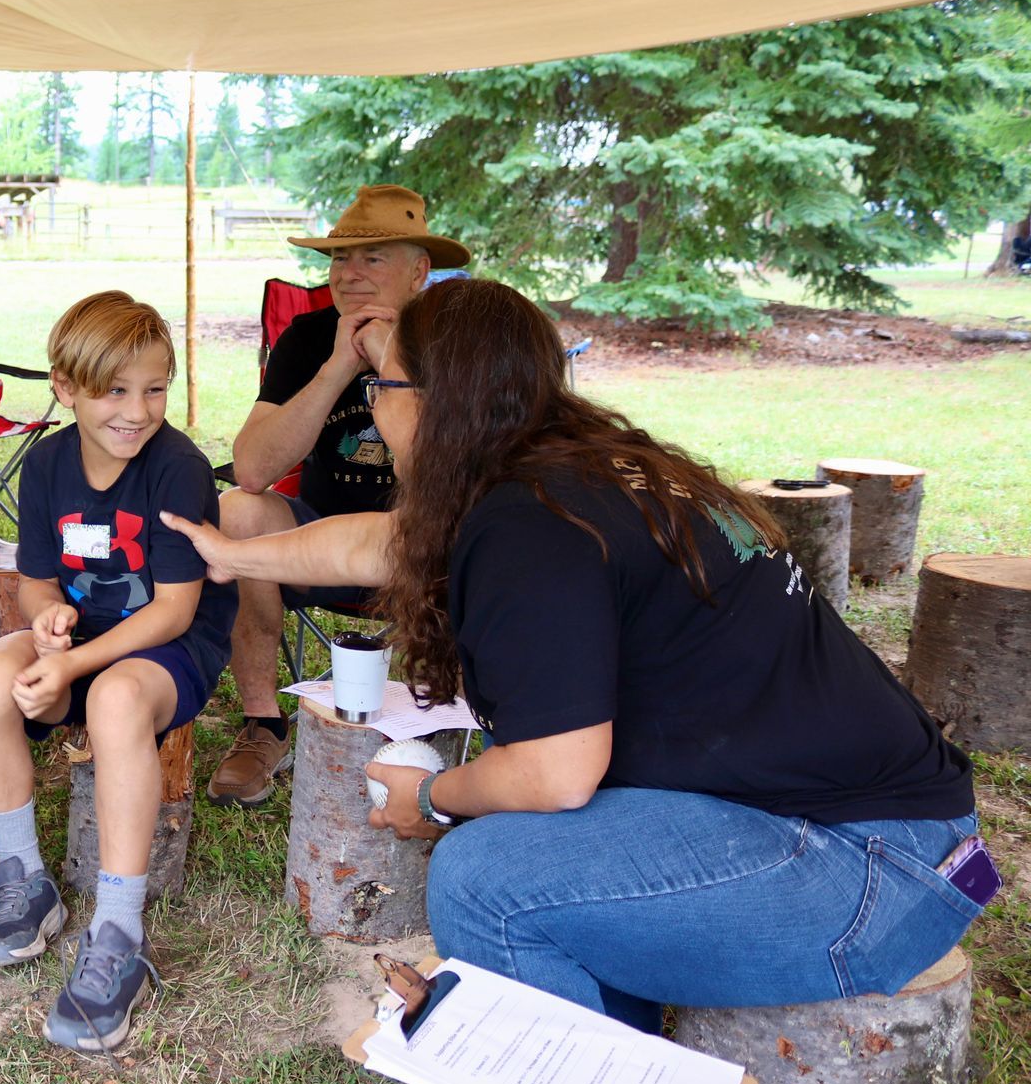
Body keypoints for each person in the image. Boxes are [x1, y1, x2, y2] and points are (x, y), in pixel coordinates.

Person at [164, 278, 979, 1031]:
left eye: (383, 387)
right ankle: (614, 1046)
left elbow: (557, 775)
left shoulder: (530, 527)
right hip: (860, 831)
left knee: (484, 876)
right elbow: (376, 546)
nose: (376, 408)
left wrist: (436, 797)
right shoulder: (565, 475)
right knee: (527, 857)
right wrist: (236, 558)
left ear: (437, 403)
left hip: (867, 872)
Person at [0, 291, 236, 1054]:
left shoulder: (177, 468)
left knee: (113, 700)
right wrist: (47, 620)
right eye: (115, 390)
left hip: (168, 649)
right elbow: (38, 583)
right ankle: (23, 877)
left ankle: (118, 931)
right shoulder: (46, 463)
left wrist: (72, 662)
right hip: (83, 637)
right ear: (66, 388)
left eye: (154, 388)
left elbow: (176, 610)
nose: (137, 410)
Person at [205, 184, 470, 808]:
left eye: (372, 258)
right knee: (238, 513)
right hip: (318, 545)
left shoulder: (455, 339)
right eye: (339, 259)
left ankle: (442, 723)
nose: (348, 274)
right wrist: (336, 370)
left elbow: (452, 474)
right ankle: (263, 724)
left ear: (419, 271)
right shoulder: (307, 337)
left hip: (426, 550)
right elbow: (251, 468)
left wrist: (390, 366)